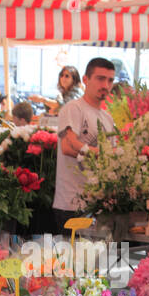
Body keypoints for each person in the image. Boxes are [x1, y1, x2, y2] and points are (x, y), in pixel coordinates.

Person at [54, 58, 117, 226]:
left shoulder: (108, 118)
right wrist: (101, 153)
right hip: (71, 203)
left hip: (97, 203)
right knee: (70, 252)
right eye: (100, 78)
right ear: (85, 79)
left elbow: (113, 155)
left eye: (110, 80)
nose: (105, 85)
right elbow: (67, 147)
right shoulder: (73, 108)